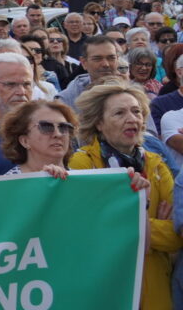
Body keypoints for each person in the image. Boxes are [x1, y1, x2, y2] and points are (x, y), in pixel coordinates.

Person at [70, 81, 179, 310]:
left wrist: (126, 223)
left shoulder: (157, 165)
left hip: (154, 286)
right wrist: (149, 225)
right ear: (99, 123)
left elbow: (176, 236)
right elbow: (93, 231)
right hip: (108, 285)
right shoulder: (84, 163)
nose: (132, 119)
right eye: (120, 113)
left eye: (137, 111)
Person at [0, 100, 77, 177]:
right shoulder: (8, 184)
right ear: (24, 141)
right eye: (46, 127)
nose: (58, 134)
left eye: (64, 127)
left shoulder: (81, 180)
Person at [57, 35, 120, 116]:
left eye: (111, 58)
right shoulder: (66, 100)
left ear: (118, 60)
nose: (106, 64)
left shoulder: (132, 95)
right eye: (97, 59)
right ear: (84, 63)